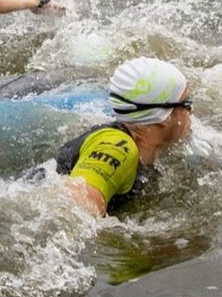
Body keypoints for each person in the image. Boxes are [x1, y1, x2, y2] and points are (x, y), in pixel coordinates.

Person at [54, 58, 194, 216]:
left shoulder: (141, 149)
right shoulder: (118, 148)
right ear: (164, 116)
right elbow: (69, 208)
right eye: (187, 103)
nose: (192, 111)